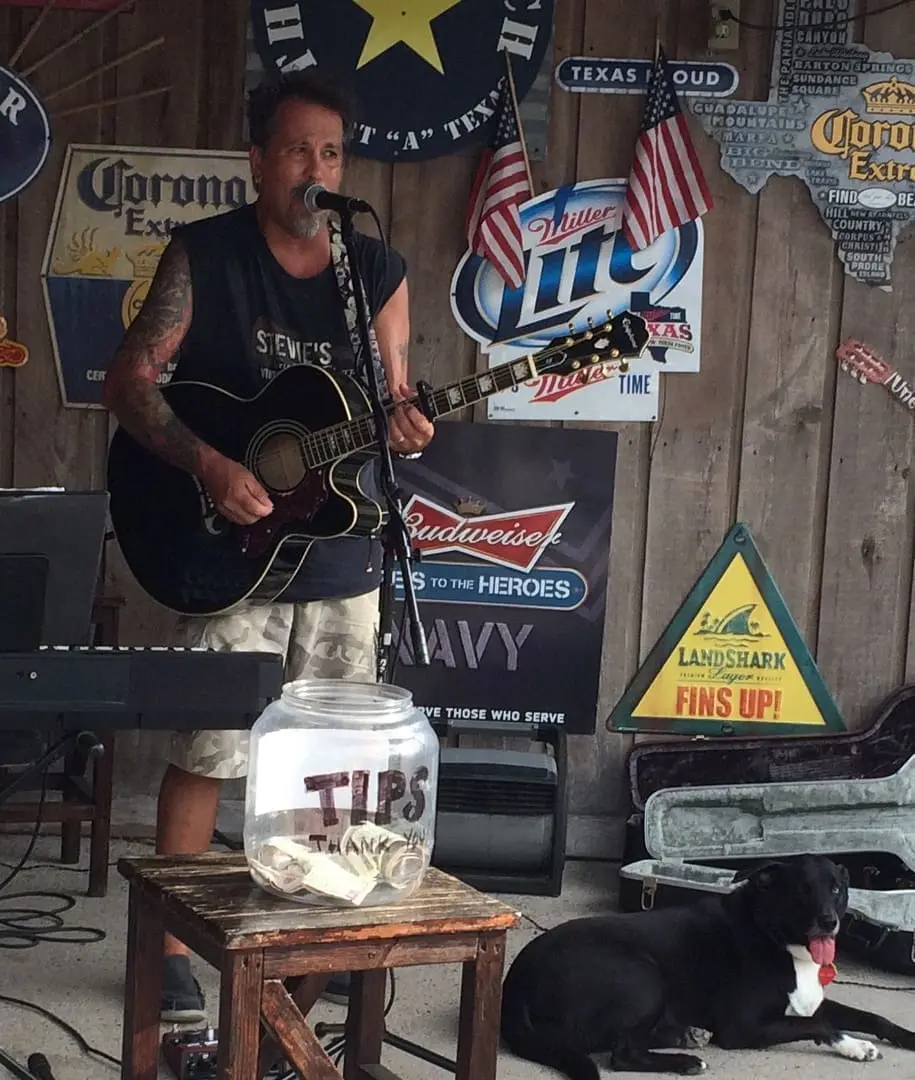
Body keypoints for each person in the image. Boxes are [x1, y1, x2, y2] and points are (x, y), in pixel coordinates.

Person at [102, 70, 434, 1022]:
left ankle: (314, 939)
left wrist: (410, 424)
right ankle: (167, 948)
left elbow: (394, 397)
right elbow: (129, 382)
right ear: (256, 161)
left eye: (330, 155)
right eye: (297, 151)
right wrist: (208, 466)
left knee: (339, 763)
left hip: (340, 549)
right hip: (228, 542)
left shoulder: (374, 269)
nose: (314, 170)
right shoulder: (203, 256)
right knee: (212, 747)